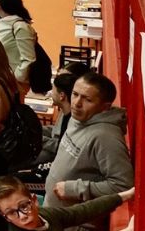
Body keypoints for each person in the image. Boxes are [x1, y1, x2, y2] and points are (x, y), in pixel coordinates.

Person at [43, 71, 133, 222]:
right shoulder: (77, 117)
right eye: (75, 94)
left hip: (76, 223)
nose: (77, 103)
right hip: (54, 214)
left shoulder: (106, 136)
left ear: (105, 107)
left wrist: (75, 189)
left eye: (87, 99)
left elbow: (123, 185)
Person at [0, 175, 134, 231]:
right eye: (11, 213)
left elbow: (81, 212)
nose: (22, 216)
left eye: (23, 206)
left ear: (34, 200)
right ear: (4, 217)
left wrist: (124, 196)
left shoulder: (44, 215)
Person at [0, 0, 37, 96]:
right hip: (0, 77)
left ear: (0, 5)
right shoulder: (1, 22)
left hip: (13, 83)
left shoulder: (21, 27)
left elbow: (29, 58)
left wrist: (16, 79)